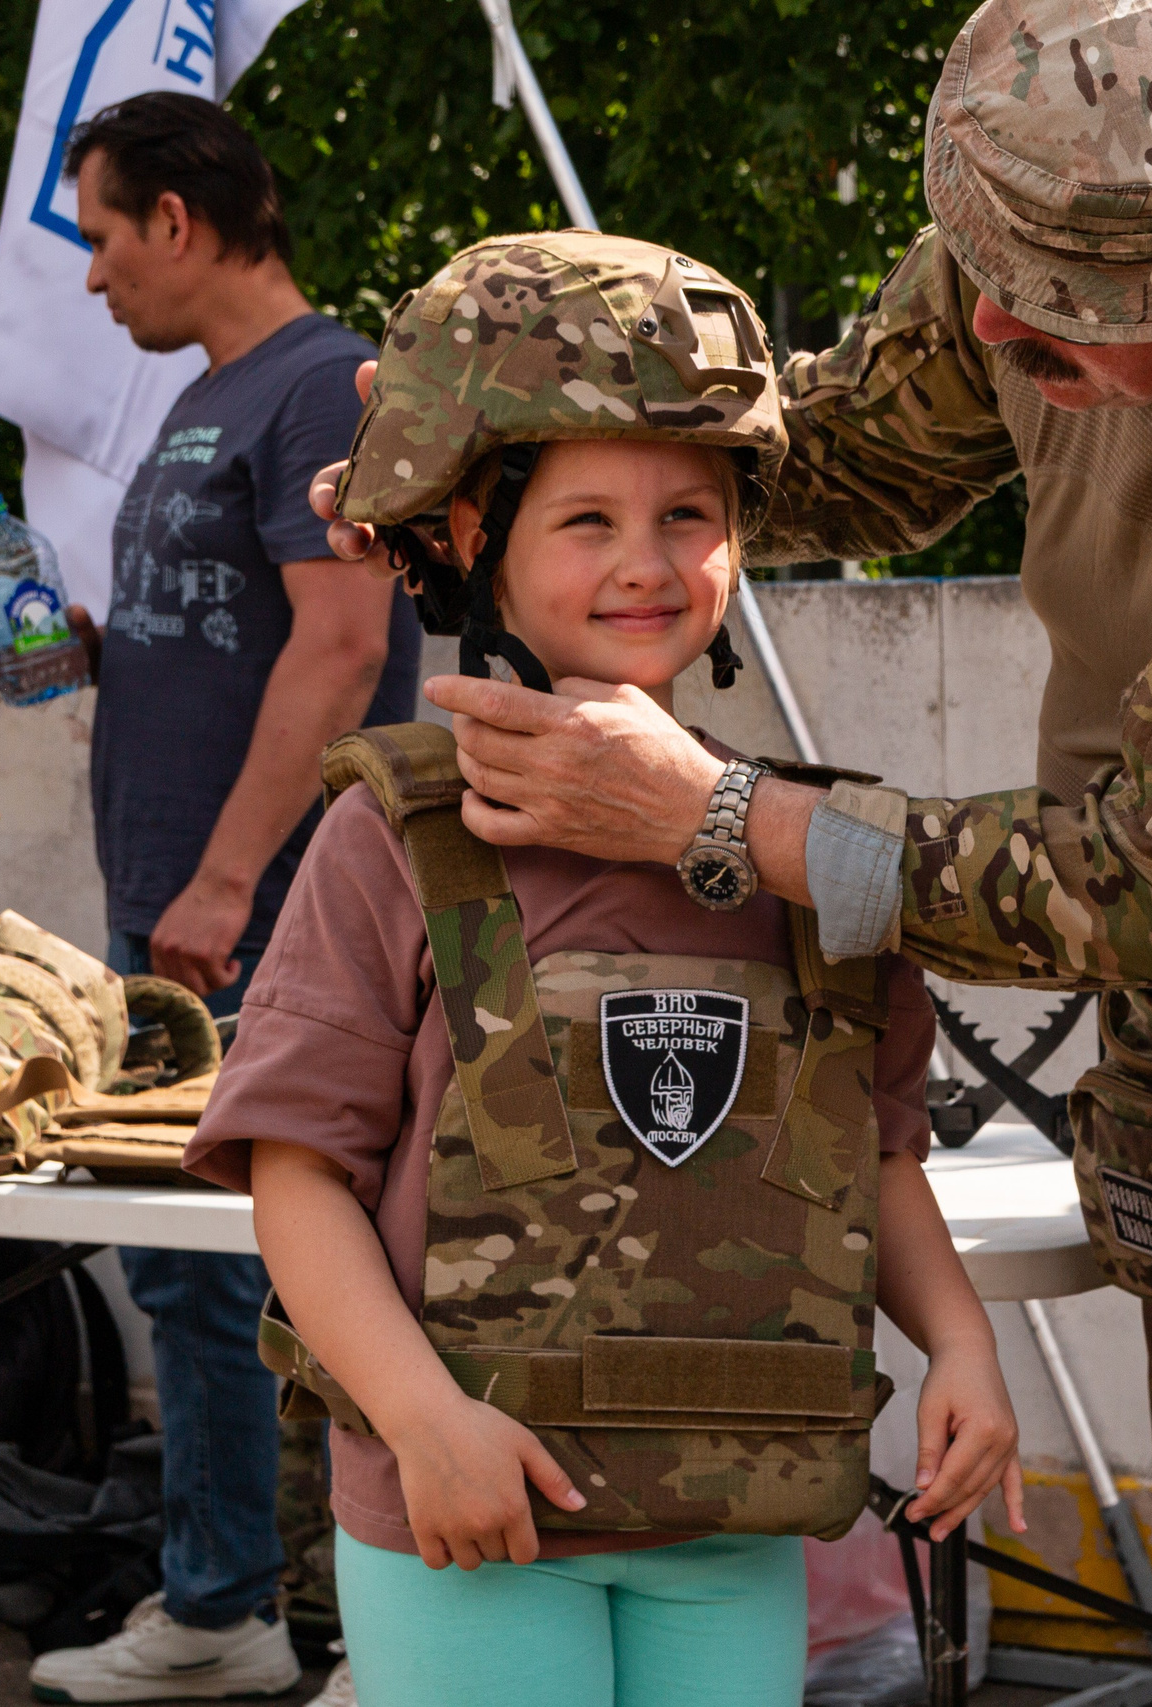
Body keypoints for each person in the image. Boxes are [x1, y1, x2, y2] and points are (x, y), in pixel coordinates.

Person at [308, 4, 1152, 1704]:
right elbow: (820, 461)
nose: (987, 323)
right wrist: (481, 436)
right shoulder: (1050, 219)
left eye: (1055, 316)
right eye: (984, 267)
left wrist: (725, 820)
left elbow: (1147, 886)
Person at [184, 233, 1024, 1707]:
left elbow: (878, 1157)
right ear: (471, 538)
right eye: (583, 518)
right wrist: (422, 1422)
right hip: (474, 1515)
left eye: (689, 512)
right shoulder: (399, 842)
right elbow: (293, 1173)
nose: (646, 561)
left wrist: (960, 1347)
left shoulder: (799, 856)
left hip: (732, 1512)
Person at [0, 91, 418, 1705]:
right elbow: (231, 622)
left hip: (280, 906)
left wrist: (233, 877)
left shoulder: (330, 384)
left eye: (101, 237)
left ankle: (397, 1639)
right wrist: (82, 648)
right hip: (175, 913)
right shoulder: (210, 397)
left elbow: (347, 642)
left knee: (351, 1266)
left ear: (180, 218)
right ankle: (225, 1607)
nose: (94, 280)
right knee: (189, 1270)